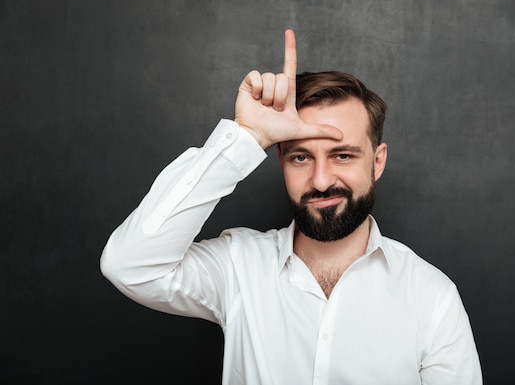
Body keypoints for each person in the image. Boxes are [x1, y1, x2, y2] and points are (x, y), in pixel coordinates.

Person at [100, 29, 482, 384]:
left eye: (343, 156)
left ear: (377, 162)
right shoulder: (238, 266)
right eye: (300, 158)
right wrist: (246, 138)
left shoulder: (432, 296)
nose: (320, 180)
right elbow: (129, 266)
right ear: (280, 160)